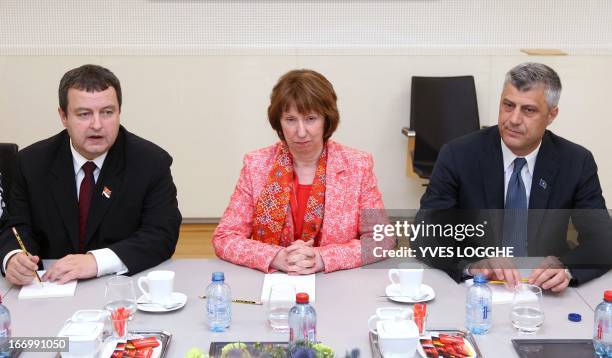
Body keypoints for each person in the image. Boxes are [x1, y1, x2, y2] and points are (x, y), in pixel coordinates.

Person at [417, 62, 611, 292]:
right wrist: (472, 265)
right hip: (477, 287)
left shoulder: (576, 162)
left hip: (544, 287)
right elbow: (425, 236)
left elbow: (603, 241)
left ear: (552, 114)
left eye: (528, 110)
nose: (514, 119)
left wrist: (566, 268)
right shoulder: (458, 155)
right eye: (508, 105)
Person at [0, 64, 182, 285]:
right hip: (50, 287)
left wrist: (96, 261)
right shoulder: (31, 163)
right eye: (84, 114)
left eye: (107, 112)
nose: (97, 125)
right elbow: (16, 226)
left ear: (119, 112)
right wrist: (13, 258)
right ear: (63, 116)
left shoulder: (151, 162)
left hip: (122, 288)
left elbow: (161, 235)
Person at [213, 69, 392, 274]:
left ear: (327, 119)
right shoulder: (256, 164)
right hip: (273, 283)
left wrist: (323, 258)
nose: (300, 132)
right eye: (290, 120)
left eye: (310, 119)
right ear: (278, 122)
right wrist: (276, 257)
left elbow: (382, 240)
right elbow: (225, 237)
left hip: (337, 283)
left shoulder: (357, 165)